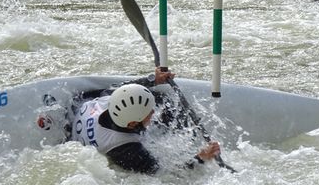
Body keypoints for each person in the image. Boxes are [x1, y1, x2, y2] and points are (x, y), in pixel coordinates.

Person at [69, 68, 222, 174]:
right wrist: (200, 158)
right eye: (149, 113)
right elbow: (168, 174)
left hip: (76, 119)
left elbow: (125, 88)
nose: (153, 112)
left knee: (165, 101)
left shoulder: (108, 98)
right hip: (98, 145)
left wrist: (153, 80)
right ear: (132, 124)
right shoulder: (127, 150)